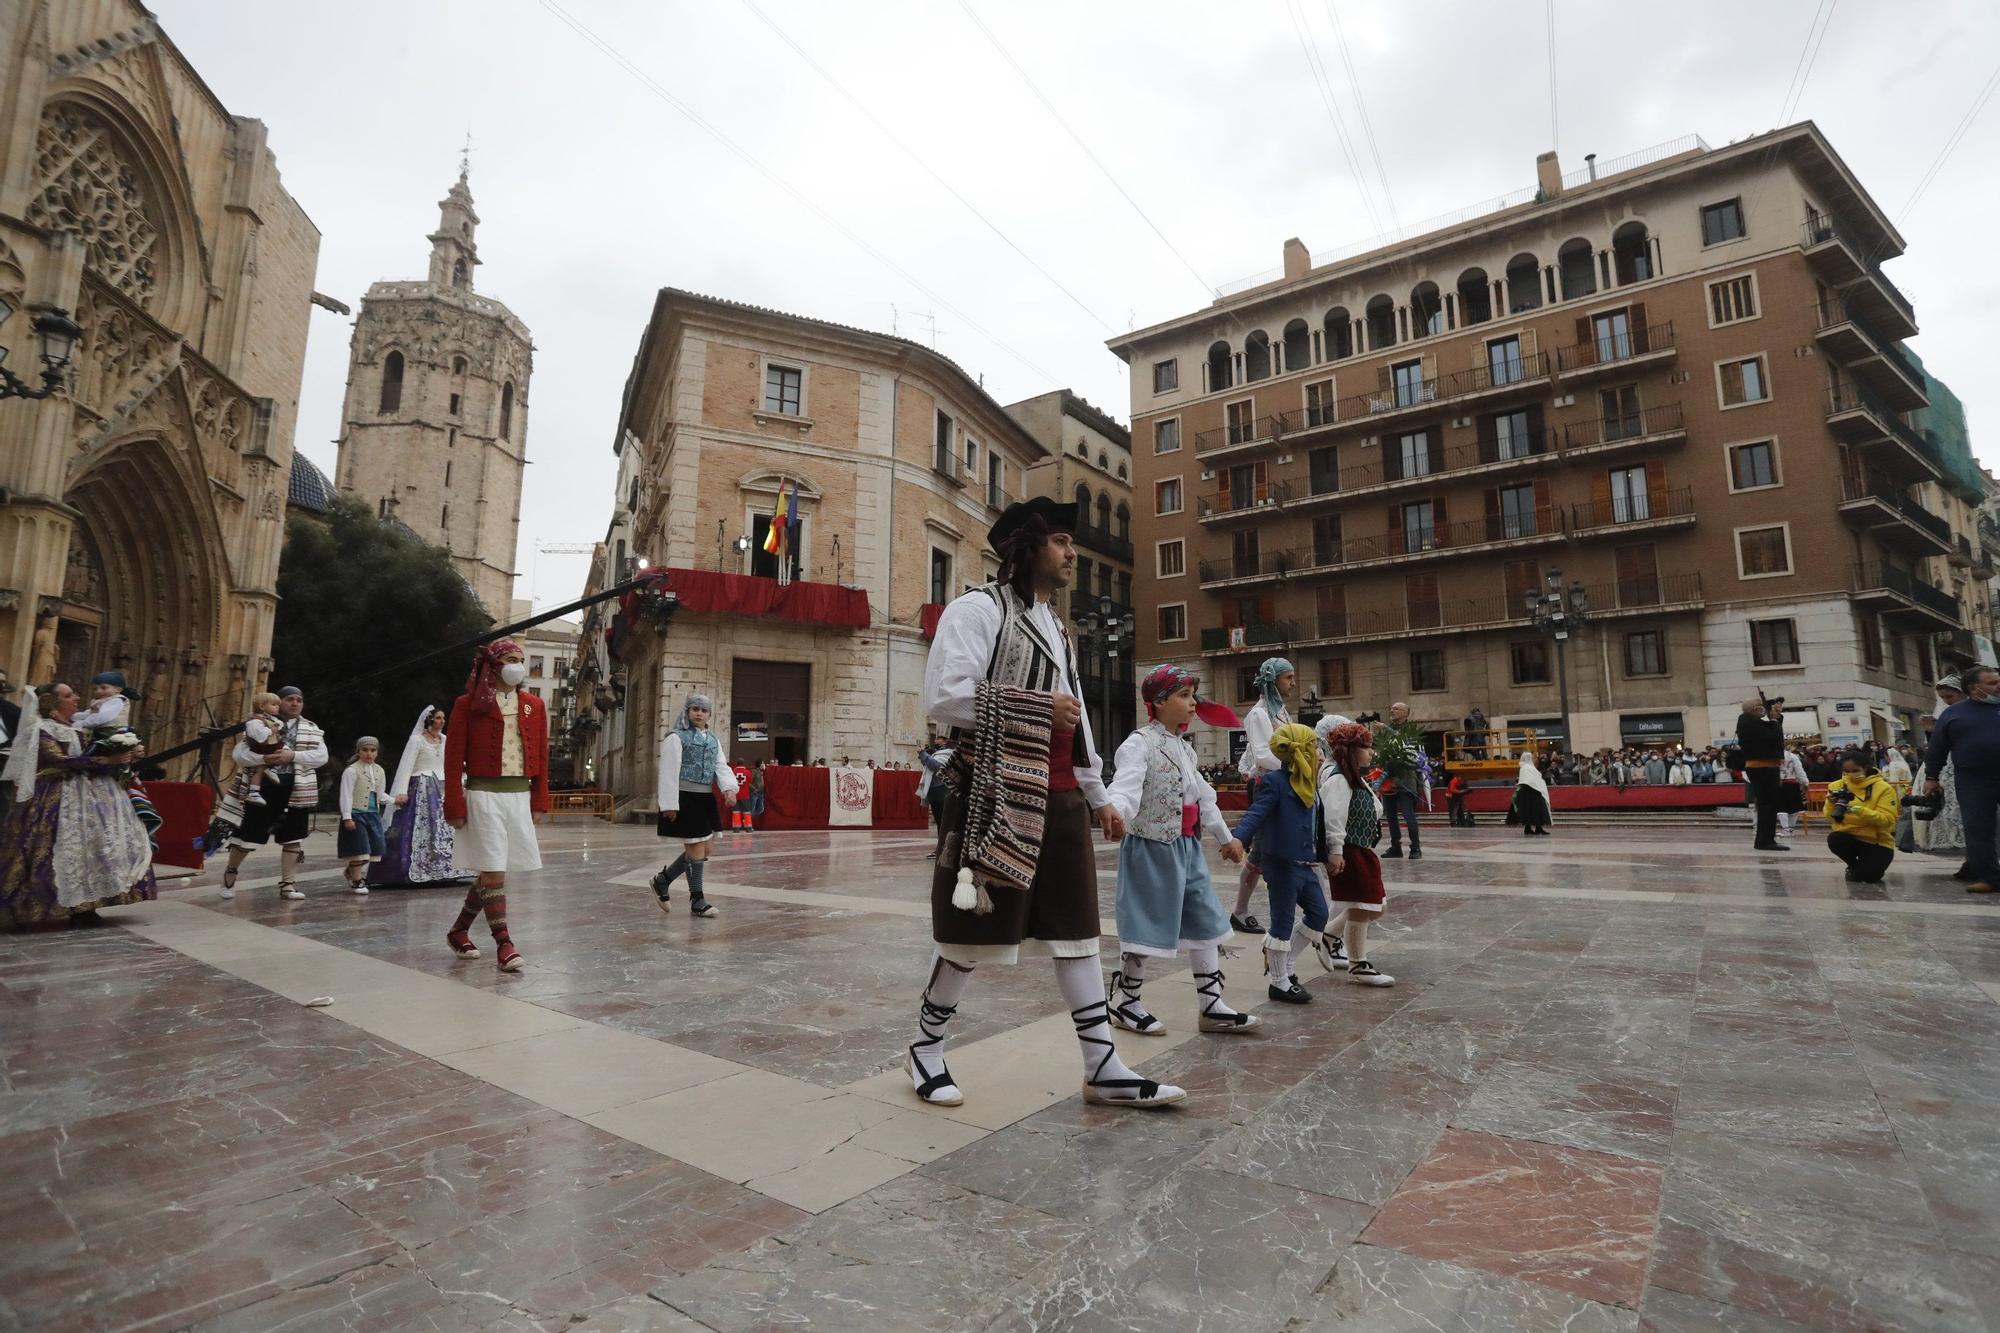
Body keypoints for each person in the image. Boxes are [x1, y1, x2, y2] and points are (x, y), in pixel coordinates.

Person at [911, 496, 1182, 1109]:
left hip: (1058, 795)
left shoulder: (1059, 628)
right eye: (1060, 540)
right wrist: (1035, 706)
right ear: (1027, 546)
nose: (1071, 552)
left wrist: (1098, 795)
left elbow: (1078, 719)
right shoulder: (977, 610)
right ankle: (926, 1049)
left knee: (1076, 932)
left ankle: (1102, 1065)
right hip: (997, 790)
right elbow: (945, 698)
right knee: (972, 934)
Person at [1101, 665, 1258, 1035]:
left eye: (1193, 695)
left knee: (1205, 920)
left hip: (1187, 847)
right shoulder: (1139, 743)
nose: (1193, 704)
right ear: (1158, 702)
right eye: (1184, 696)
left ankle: (1211, 1003)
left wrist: (1226, 838)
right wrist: (1117, 813)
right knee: (1147, 923)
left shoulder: (1185, 749)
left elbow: (1204, 798)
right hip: (1151, 847)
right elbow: (1125, 786)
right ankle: (1127, 1001)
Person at [0, 683, 156, 928]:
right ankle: (44, 905)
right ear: (52, 704)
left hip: (86, 794)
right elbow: (59, 760)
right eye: (68, 695)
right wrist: (106, 760)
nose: (76, 698)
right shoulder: (42, 729)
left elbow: (94, 752)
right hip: (55, 796)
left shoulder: (78, 728)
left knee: (93, 848)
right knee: (56, 849)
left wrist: (127, 752)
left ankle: (85, 906)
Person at [443, 640, 550, 971]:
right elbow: (452, 758)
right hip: (483, 796)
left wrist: (539, 799)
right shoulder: (467, 704)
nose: (517, 665)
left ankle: (459, 930)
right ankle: (505, 944)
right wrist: (455, 804)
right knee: (492, 872)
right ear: (492, 665)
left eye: (520, 659)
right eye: (509, 659)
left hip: (518, 796)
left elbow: (543, 757)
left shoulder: (534, 705)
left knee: (495, 872)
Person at [1232, 722, 1337, 1004]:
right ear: (1300, 750)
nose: (1320, 754)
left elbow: (1318, 827)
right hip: (1280, 863)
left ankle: (1287, 964)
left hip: (1306, 863)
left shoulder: (1310, 784)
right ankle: (1278, 982)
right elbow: (1256, 814)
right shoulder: (1275, 782)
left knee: (1319, 914)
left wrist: (1326, 857)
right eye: (1314, 747)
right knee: (1282, 921)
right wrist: (1238, 839)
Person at [218, 686, 328, 899]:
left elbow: (321, 757)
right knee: (248, 834)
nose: (294, 703)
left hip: (296, 788)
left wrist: (293, 756)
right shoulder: (259, 724)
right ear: (278, 702)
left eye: (299, 699)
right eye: (289, 699)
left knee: (293, 836)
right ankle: (231, 871)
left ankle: (288, 884)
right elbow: (239, 755)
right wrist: (264, 759)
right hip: (263, 787)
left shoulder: (312, 729)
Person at [1317, 718, 1394, 986]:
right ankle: (1357, 964)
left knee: (1374, 906)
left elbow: (1374, 808)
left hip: (1362, 849)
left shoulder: (1355, 779)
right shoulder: (1338, 780)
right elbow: (1333, 818)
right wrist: (1336, 851)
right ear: (1351, 750)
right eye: (1367, 747)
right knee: (1364, 905)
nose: (1371, 753)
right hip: (1349, 851)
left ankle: (1327, 936)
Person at [650, 692, 738, 918]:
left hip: (704, 798)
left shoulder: (713, 740)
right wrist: (669, 804)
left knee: (705, 848)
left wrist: (729, 788)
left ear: (709, 714)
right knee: (696, 848)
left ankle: (663, 880)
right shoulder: (676, 737)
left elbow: (721, 766)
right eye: (695, 709)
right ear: (687, 712)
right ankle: (697, 899)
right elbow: (668, 772)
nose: (699, 713)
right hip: (684, 798)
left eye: (704, 710)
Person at [1228, 656, 1294, 934]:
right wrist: (1299, 765)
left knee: (1268, 851)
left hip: (1284, 783)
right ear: (1273, 680)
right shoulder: (1259, 714)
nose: (1293, 682)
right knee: (1260, 851)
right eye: (1288, 677)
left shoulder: (1280, 711)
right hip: (1270, 786)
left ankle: (1242, 911)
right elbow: (1263, 754)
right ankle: (1241, 911)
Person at [1923, 664, 2000, 893]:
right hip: (1973, 780)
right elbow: (1936, 748)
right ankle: (1988, 877)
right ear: (1975, 689)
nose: (1999, 685)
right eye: (1992, 683)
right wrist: (1931, 777)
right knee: (1978, 828)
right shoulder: (1953, 714)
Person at [371, 704, 459, 887]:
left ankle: (444, 869)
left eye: (443, 718)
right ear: (429, 720)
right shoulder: (417, 740)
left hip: (441, 787)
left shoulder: (445, 739)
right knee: (418, 827)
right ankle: (409, 868)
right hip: (421, 785)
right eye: (438, 718)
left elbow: (450, 763)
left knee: (443, 828)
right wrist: (401, 791)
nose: (441, 721)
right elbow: (407, 765)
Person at [1916, 676, 1970, 875]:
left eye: (1950, 696)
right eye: (1943, 697)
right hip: (1947, 770)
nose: (1947, 701)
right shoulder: (1947, 715)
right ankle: (1970, 860)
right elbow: (1938, 746)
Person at [1825, 751, 1899, 885]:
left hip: (1877, 841)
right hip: (1849, 836)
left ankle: (1861, 869)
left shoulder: (1884, 788)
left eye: (1855, 770)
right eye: (1846, 771)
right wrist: (1831, 803)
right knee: (1835, 839)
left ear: (1865, 767)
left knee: (1869, 877)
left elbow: (1887, 820)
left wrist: (1859, 811)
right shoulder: (1836, 786)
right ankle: (1853, 865)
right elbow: (1830, 818)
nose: (1851, 774)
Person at [336, 736, 388, 895]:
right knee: (360, 848)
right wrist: (347, 816)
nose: (369, 753)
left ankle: (351, 870)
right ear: (358, 751)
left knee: (374, 849)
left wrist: (393, 800)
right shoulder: (352, 770)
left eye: (372, 750)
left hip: (372, 814)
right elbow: (346, 794)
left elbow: (379, 794)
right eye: (365, 750)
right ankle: (357, 880)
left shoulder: (379, 771)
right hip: (356, 814)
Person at [1737, 694, 1787, 851]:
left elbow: (1772, 731)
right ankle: (1766, 841)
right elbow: (1774, 736)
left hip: (1762, 767)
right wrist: (1773, 719)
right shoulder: (1750, 724)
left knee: (1767, 804)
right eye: (1760, 707)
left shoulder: (1748, 721)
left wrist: (1776, 717)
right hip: (1763, 768)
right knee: (1768, 804)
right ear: (1753, 709)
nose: (1763, 710)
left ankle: (1764, 839)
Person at [1375, 701, 1423, 860]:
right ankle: (1396, 847)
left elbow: (1405, 743)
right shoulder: (1386, 729)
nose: (1392, 710)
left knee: (1408, 815)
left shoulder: (1410, 729)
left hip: (1405, 781)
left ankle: (1415, 848)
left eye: (1396, 708)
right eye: (1392, 707)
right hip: (1388, 779)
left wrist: (1385, 729)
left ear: (1405, 713)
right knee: (1390, 816)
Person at [918, 736, 953, 860]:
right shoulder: (937, 753)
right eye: (936, 738)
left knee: (942, 823)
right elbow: (927, 766)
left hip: (941, 792)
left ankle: (942, 848)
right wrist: (924, 756)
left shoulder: (948, 753)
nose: (936, 741)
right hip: (934, 792)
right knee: (939, 822)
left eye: (939, 739)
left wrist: (923, 754)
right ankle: (941, 847)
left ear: (946, 741)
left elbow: (936, 766)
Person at [1510, 751, 1553, 835]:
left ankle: (1538, 828)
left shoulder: (1528, 767)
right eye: (1532, 757)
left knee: (1535, 810)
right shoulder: (1526, 767)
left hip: (1533, 791)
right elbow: (1528, 780)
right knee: (1530, 810)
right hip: (1529, 792)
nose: (1533, 759)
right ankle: (1529, 828)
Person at [1775, 744, 1809, 839]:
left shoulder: (1772, 757)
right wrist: (1805, 782)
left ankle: (1786, 829)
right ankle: (1791, 829)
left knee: (1781, 807)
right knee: (1794, 807)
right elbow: (1799, 770)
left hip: (1778, 784)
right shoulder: (1792, 756)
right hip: (1792, 783)